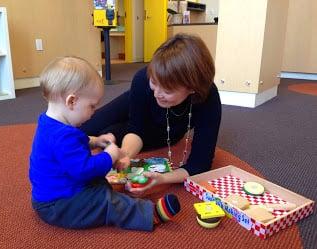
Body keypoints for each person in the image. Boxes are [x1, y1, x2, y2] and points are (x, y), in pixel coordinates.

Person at [29, 56, 181, 231]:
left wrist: (96, 141)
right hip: (60, 205)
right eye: (92, 106)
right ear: (72, 101)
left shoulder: (50, 124)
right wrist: (110, 155)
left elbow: (77, 141)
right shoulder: (63, 136)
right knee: (106, 202)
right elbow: (84, 170)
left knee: (100, 184)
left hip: (56, 194)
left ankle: (110, 197)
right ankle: (150, 214)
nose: (93, 113)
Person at [81, 33, 222, 195]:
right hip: (139, 101)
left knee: (110, 134)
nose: (157, 94)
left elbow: (200, 164)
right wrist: (125, 155)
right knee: (87, 126)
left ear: (191, 88)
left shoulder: (208, 97)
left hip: (166, 130)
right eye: (154, 82)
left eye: (167, 90)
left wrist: (161, 179)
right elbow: (136, 128)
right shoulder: (143, 80)